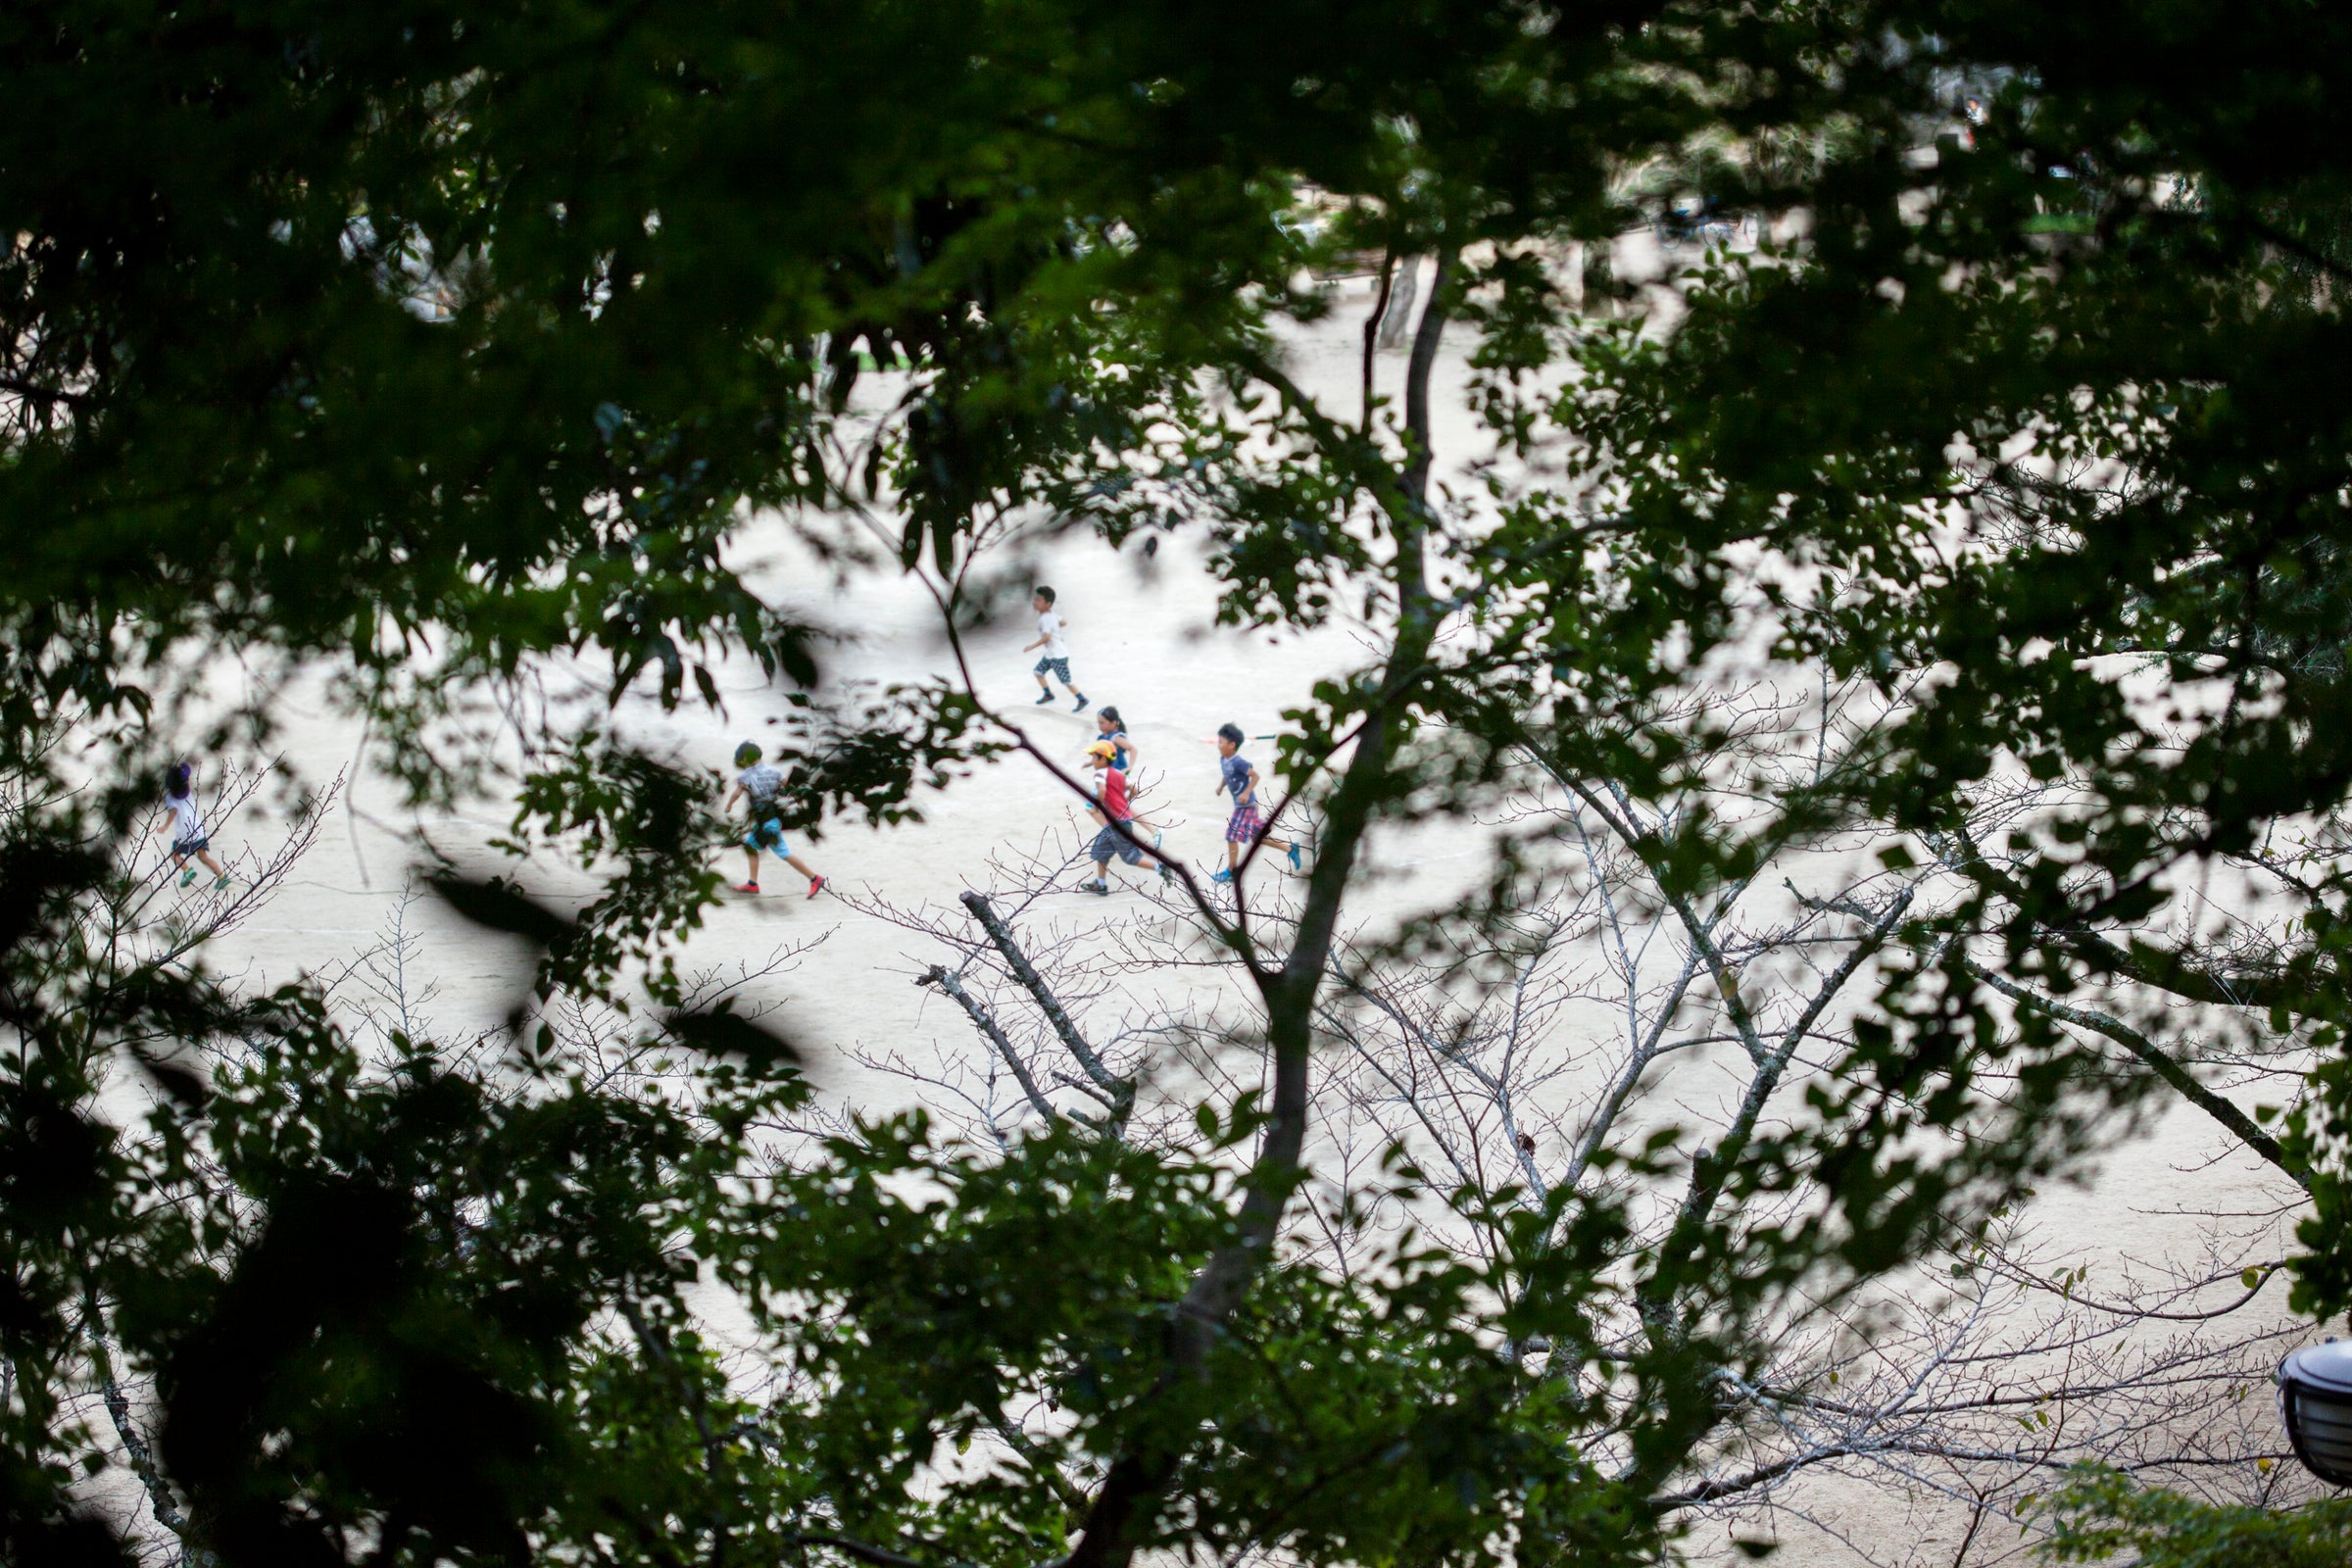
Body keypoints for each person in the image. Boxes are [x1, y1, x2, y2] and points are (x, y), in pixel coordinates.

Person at [724, 742, 826, 898]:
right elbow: (789, 789)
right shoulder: (774, 771)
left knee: (784, 853)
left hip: (766, 822)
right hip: (772, 817)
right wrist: (798, 802)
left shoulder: (746, 776)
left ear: (745, 758)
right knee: (750, 847)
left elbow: (737, 793)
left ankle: (815, 878)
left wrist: (729, 806)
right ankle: (752, 883)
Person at [1211, 723, 1302, 883]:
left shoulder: (1239, 762)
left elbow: (1255, 776)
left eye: (1221, 742)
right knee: (1257, 838)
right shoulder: (1223, 760)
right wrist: (1221, 786)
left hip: (1246, 806)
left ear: (1232, 745)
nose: (1218, 745)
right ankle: (1290, 849)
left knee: (1231, 836)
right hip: (1243, 806)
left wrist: (1246, 793)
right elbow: (1227, 775)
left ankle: (1231, 872)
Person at [1080, 739, 1172, 896]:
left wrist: (1097, 806)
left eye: (1094, 757)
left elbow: (1101, 790)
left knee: (1130, 857)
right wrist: (1125, 802)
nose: (1092, 761)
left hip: (1117, 823)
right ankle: (1100, 884)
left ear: (1102, 758)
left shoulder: (1099, 774)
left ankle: (1160, 867)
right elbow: (1134, 789)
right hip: (1120, 821)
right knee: (1101, 850)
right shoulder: (1119, 774)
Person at [1090, 706, 1162, 846]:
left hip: (1114, 779)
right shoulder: (1104, 736)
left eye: (1102, 722)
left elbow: (1132, 748)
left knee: (1094, 806)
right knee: (1119, 807)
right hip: (1110, 778)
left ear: (1114, 723)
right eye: (1098, 722)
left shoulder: (1116, 737)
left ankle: (1119, 833)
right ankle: (1129, 832)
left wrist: (1129, 767)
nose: (1099, 725)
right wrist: (1090, 762)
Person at [158, 761, 229, 890]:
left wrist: (165, 826)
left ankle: (187, 871)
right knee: (203, 857)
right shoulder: (187, 791)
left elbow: (173, 811)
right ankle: (222, 876)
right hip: (197, 829)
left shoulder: (170, 798)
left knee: (174, 855)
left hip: (184, 832)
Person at [1023, 585, 1089, 712]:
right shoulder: (1051, 615)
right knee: (1038, 672)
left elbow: (1046, 638)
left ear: (1048, 604)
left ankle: (1082, 699)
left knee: (1066, 681)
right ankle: (1048, 694)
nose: (1035, 602)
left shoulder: (1044, 619)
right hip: (1051, 654)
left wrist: (1031, 647)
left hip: (1058, 656)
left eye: (1038, 600)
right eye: (1035, 599)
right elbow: (1063, 622)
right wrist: (1055, 628)